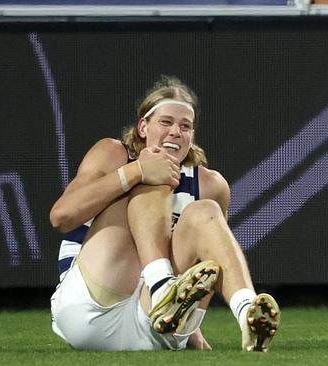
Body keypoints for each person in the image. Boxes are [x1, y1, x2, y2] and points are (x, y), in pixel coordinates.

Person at [49, 75, 280, 352]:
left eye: (186, 126)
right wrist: (137, 171)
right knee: (154, 177)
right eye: (166, 122)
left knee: (205, 210)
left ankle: (246, 315)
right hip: (91, 308)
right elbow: (61, 217)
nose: (175, 132)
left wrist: (195, 331)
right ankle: (163, 289)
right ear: (143, 127)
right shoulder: (112, 154)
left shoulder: (210, 184)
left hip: (159, 328)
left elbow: (214, 261)